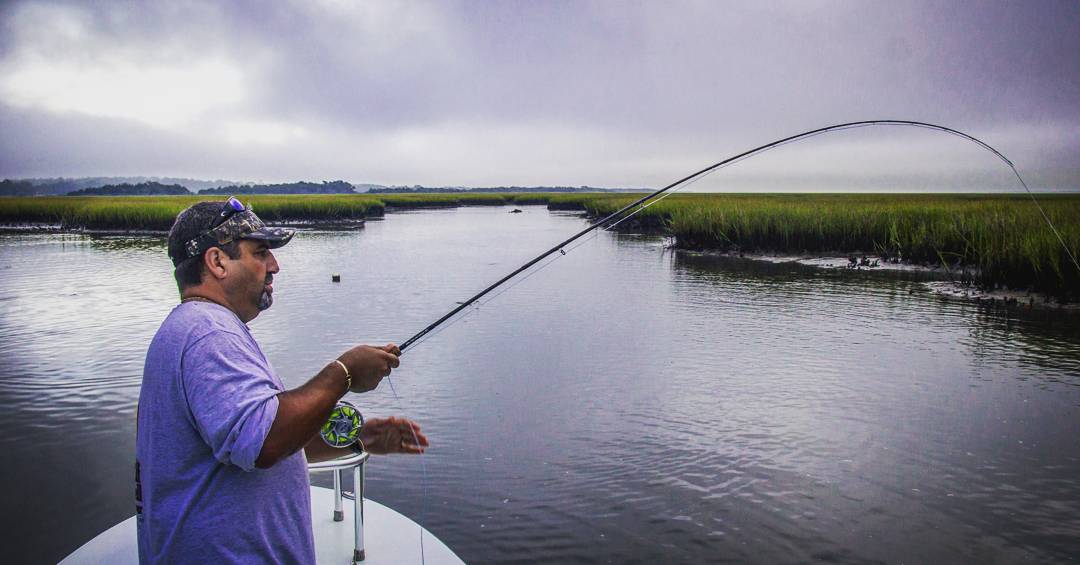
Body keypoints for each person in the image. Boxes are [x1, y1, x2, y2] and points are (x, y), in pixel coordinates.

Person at [135, 198, 429, 563]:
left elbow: (248, 441)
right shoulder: (207, 334)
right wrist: (345, 372)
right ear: (217, 261)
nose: (274, 265)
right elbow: (264, 444)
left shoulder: (196, 329)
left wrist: (357, 439)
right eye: (260, 253)